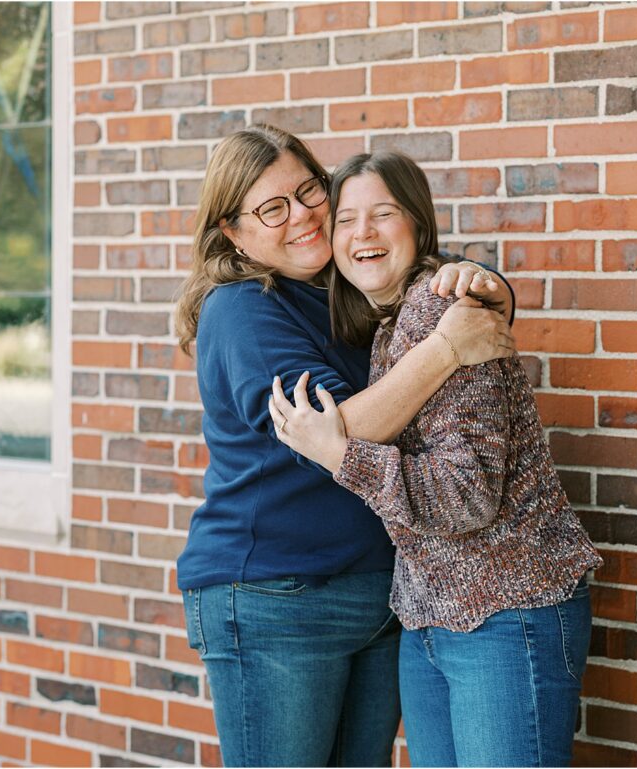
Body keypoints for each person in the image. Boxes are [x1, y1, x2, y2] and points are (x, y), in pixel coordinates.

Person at [173, 125, 516, 768]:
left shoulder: (344, 289)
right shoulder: (243, 309)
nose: (302, 215)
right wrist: (446, 349)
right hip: (275, 596)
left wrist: (485, 286)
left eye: (309, 190)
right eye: (272, 208)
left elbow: (427, 281)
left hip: (376, 594)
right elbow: (342, 428)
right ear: (232, 232)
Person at [268, 151, 603, 768]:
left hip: (508, 610)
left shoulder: (439, 309)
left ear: (419, 226)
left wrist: (341, 454)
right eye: (345, 219)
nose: (361, 233)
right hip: (429, 618)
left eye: (383, 214)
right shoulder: (384, 327)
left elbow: (466, 494)